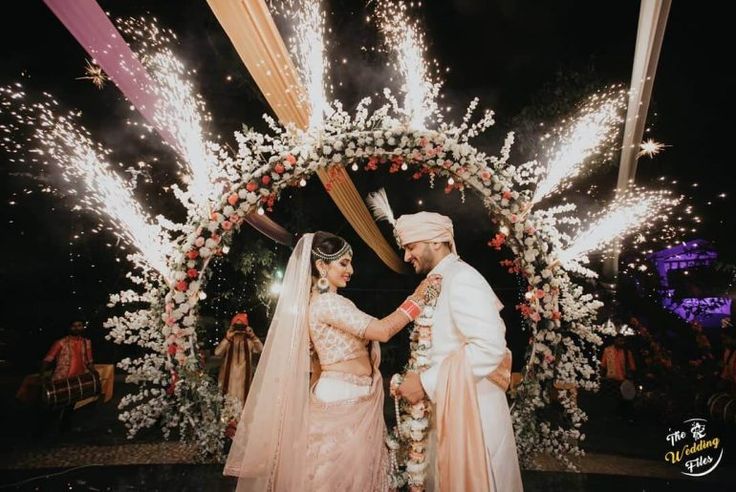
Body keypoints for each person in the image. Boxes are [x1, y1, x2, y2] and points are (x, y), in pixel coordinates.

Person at [224, 232, 433, 491]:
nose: (351, 270)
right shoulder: (328, 304)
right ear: (322, 266)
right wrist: (417, 300)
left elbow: (316, 364)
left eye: (350, 263)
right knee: (337, 479)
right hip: (342, 397)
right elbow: (382, 331)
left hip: (345, 395)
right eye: (343, 263)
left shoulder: (323, 303)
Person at [394, 211, 523, 491]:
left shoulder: (462, 278)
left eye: (410, 247)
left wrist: (426, 383)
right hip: (451, 408)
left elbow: (489, 347)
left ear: (437, 242)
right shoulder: (441, 280)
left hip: (473, 415)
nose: (406, 257)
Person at [215, 312, 263, 407]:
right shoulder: (229, 341)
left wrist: (253, 336)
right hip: (228, 383)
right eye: (237, 326)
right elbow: (217, 353)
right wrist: (227, 337)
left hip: (244, 383)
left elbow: (261, 349)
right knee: (227, 409)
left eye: (242, 326)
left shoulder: (249, 342)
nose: (239, 329)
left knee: (243, 407)